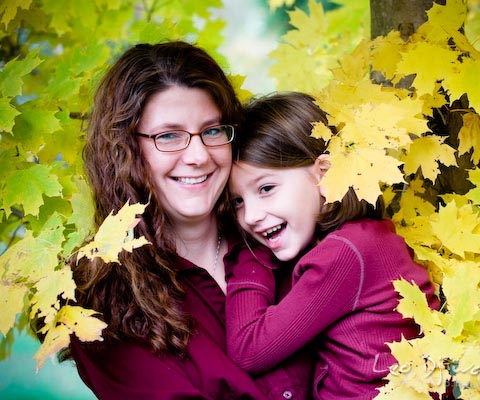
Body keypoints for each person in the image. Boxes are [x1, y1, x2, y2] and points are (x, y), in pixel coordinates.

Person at [64, 42, 310, 399]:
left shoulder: (283, 236)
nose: (198, 155)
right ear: (126, 150)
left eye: (212, 131)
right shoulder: (101, 300)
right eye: (168, 136)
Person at [225, 91, 440, 399]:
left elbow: (249, 348)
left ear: (323, 174)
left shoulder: (346, 253)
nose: (251, 216)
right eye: (237, 201)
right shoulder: (365, 239)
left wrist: (247, 255)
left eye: (266, 188)